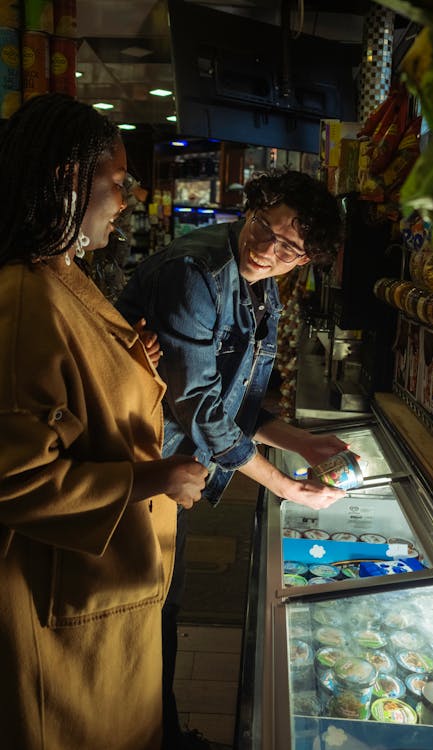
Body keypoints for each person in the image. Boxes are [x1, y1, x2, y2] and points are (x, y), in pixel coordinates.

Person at [116, 169, 352, 749]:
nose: (268, 247)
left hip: (176, 472)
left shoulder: (261, 284)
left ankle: (163, 731)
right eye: (264, 224)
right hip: (138, 467)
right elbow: (195, 405)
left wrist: (298, 441)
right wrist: (285, 486)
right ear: (254, 207)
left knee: (163, 604)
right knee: (141, 609)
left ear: (305, 261)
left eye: (289, 247)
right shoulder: (194, 272)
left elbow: (230, 398)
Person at [0, 93, 208, 750]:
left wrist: (131, 359)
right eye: (116, 182)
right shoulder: (25, 297)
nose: (126, 200)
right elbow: (16, 482)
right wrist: (154, 479)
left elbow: (76, 382)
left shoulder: (65, 276)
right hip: (59, 611)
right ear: (67, 179)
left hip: (108, 587)